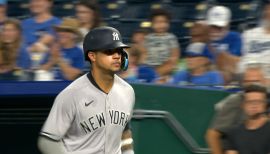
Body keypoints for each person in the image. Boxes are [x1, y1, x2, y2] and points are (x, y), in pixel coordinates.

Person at [38, 26, 135, 154]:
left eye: (119, 51)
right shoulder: (72, 94)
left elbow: (125, 131)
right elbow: (47, 140)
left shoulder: (127, 91)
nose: (117, 56)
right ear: (92, 56)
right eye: (109, 51)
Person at [206, 66, 268, 154]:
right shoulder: (236, 101)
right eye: (247, 81)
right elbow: (212, 134)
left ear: (264, 81)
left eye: (256, 81)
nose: (251, 84)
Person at [225, 84, 270, 154]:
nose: (254, 105)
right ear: (243, 105)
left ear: (265, 105)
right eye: (250, 102)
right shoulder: (234, 132)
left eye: (258, 102)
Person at [206, 6, 242, 83]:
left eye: (219, 27)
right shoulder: (204, 38)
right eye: (212, 26)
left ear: (227, 25)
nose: (214, 30)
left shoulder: (235, 37)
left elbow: (233, 62)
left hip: (228, 75)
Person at [22, 0, 61, 69]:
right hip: (25, 67)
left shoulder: (57, 23)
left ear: (49, 3)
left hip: (47, 68)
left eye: (39, 1)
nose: (35, 3)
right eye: (33, 1)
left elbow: (39, 45)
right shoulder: (25, 23)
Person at [143, 8, 180, 77]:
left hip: (166, 69)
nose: (161, 25)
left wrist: (164, 68)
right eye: (157, 22)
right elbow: (144, 54)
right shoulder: (147, 38)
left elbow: (175, 56)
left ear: (168, 23)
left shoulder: (172, 38)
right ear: (152, 24)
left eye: (164, 22)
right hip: (149, 68)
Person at [238, 2, 270, 74]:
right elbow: (241, 58)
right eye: (267, 10)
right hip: (246, 74)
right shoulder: (248, 34)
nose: (268, 13)